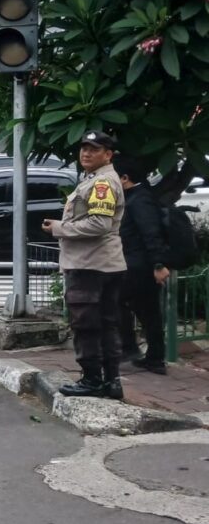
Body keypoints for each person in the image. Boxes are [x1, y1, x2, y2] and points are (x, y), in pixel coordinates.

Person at [42, 131, 127, 399]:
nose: (86, 153)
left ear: (108, 154)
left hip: (90, 265)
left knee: (87, 325)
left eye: (94, 149)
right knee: (106, 324)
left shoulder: (102, 183)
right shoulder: (96, 179)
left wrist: (59, 227)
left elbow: (99, 224)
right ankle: (111, 381)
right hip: (104, 263)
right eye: (84, 148)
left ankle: (92, 379)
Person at [112, 155, 169, 375]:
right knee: (148, 312)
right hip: (136, 263)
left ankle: (131, 348)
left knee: (116, 301)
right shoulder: (133, 197)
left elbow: (151, 232)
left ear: (124, 178)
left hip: (139, 265)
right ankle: (154, 359)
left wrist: (158, 264)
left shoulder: (140, 199)